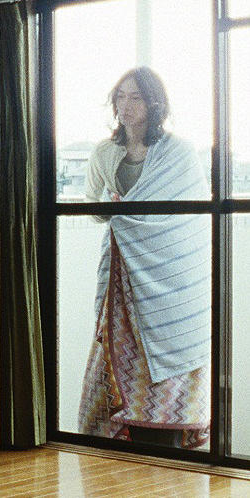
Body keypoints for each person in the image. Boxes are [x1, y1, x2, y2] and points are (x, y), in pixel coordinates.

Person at [77, 67, 211, 448]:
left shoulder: (179, 153)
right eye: (120, 96)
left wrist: (139, 223)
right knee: (118, 350)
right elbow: (94, 207)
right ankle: (122, 436)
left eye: (135, 97)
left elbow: (191, 220)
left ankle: (166, 435)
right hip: (121, 271)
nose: (126, 105)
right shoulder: (104, 152)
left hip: (168, 277)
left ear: (154, 103)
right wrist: (112, 209)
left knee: (167, 351)